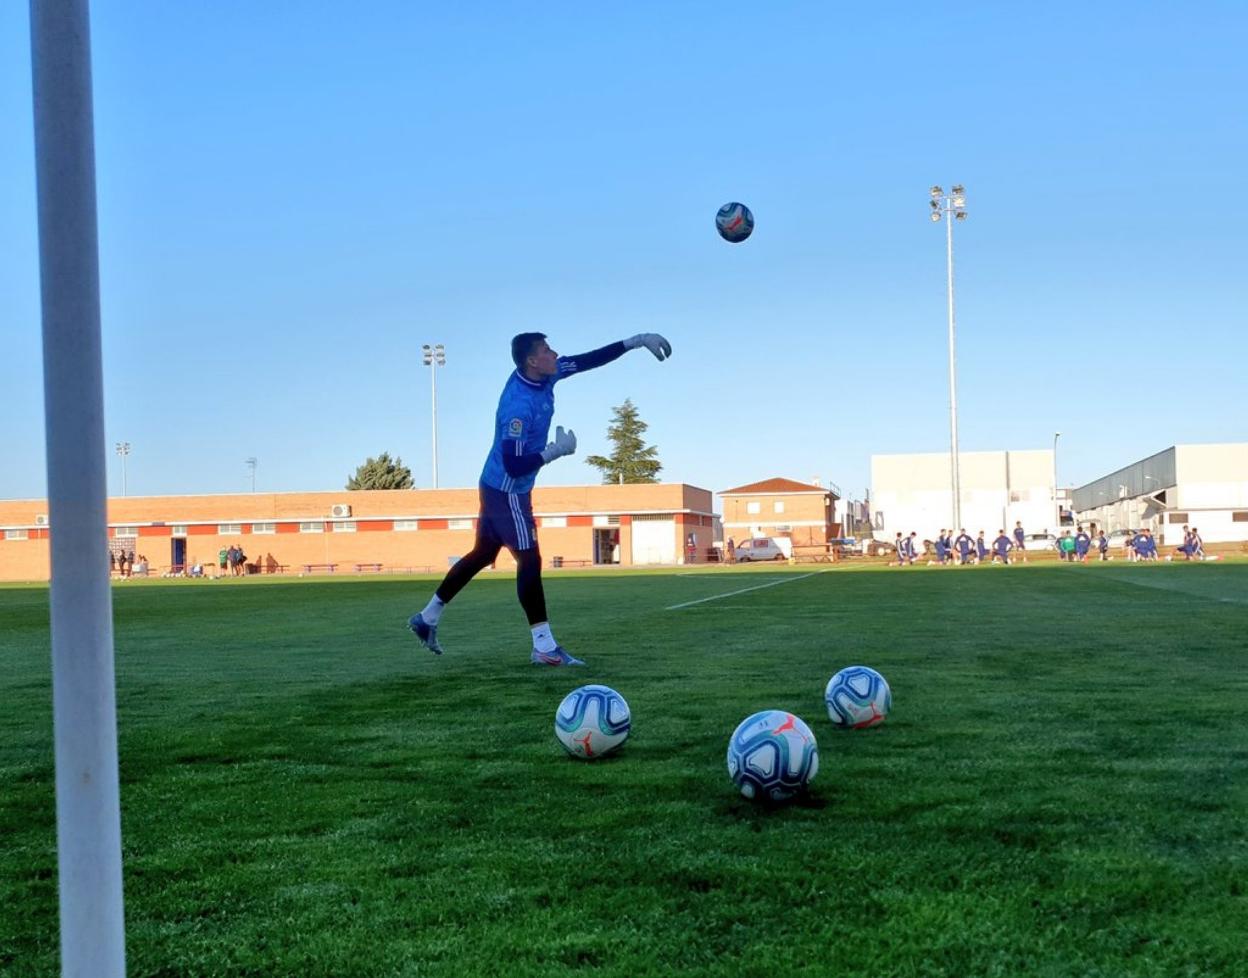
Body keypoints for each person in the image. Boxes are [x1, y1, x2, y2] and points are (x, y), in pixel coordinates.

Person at [408, 331, 672, 666]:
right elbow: (515, 465)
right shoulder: (519, 407)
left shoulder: (545, 374)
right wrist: (554, 452)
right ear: (533, 361)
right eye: (548, 350)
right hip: (507, 490)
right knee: (529, 560)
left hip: (495, 486)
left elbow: (587, 360)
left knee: (483, 553)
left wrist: (633, 342)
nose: (555, 354)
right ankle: (544, 647)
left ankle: (427, 618)